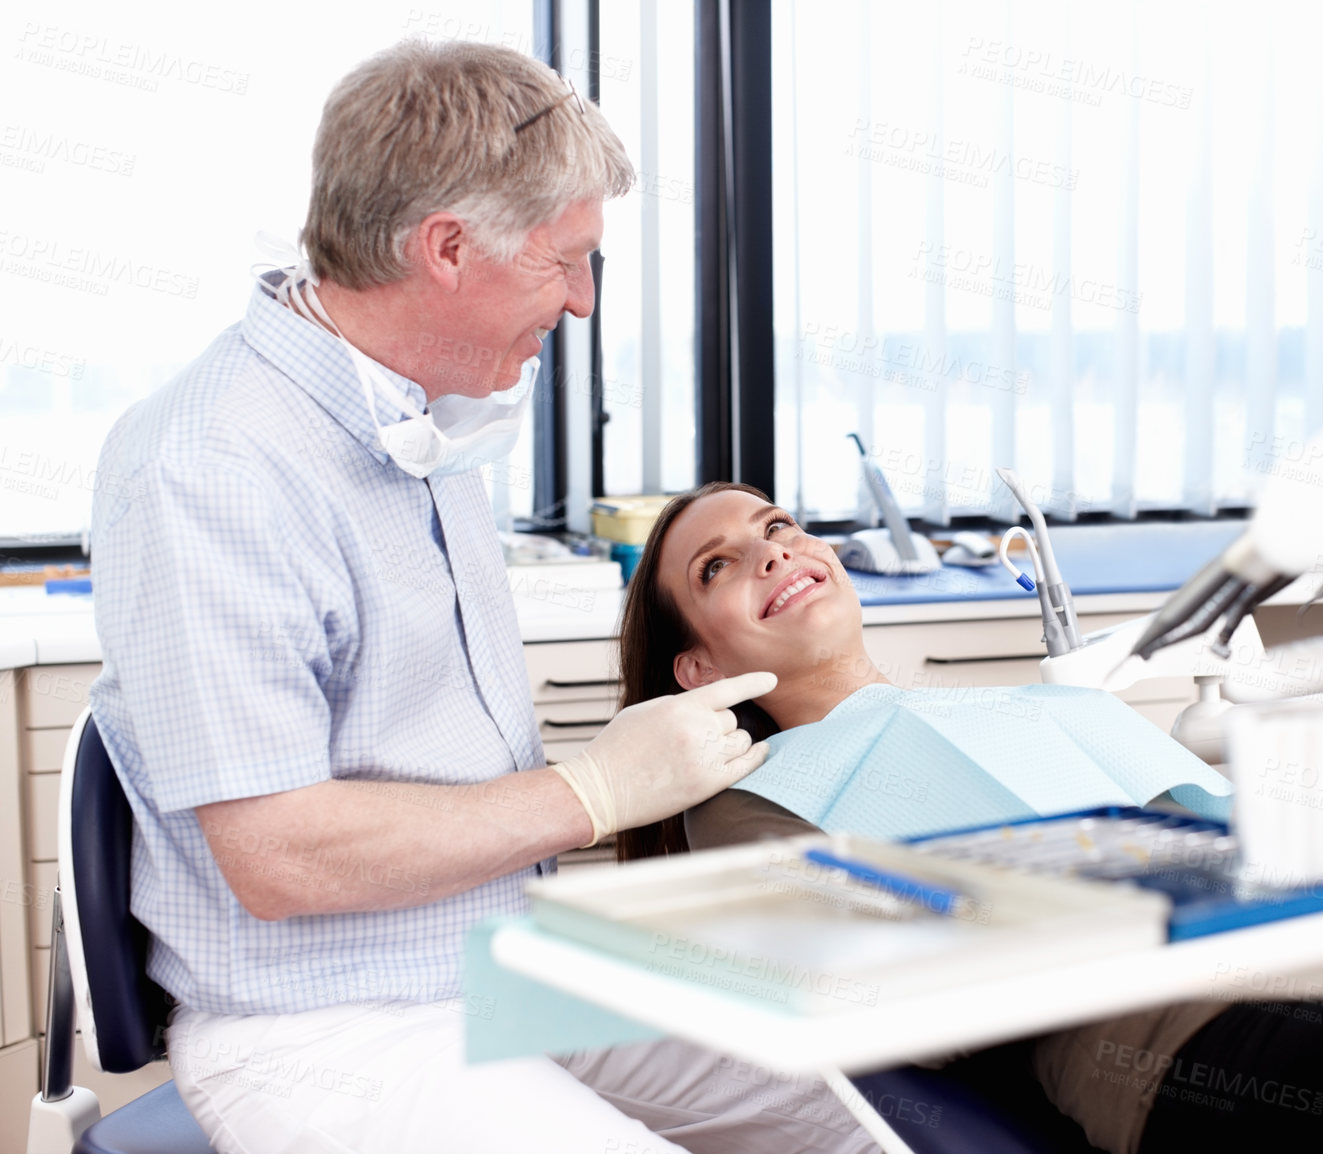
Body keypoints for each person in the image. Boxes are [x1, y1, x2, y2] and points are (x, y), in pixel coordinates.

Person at [88, 44, 875, 1154]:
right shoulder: (214, 469)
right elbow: (281, 855)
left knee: (876, 1118)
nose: (586, 301)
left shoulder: (425, 420)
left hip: (507, 966)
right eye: (567, 262)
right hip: (333, 1024)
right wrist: (594, 786)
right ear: (447, 247)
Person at [617, 480, 1323, 1153]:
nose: (774, 550)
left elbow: (1228, 821)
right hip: (1210, 1048)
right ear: (697, 658)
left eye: (780, 526)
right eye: (722, 563)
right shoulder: (748, 806)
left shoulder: (1017, 709)